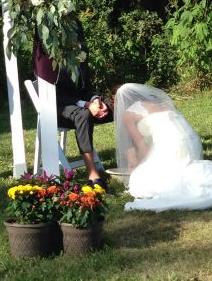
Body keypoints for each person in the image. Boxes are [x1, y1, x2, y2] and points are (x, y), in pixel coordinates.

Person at [33, 20, 113, 189]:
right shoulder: (50, 63)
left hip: (81, 104)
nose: (75, 40)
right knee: (83, 115)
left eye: (76, 36)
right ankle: (93, 174)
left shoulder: (79, 59)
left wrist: (95, 100)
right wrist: (86, 105)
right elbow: (58, 96)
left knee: (118, 102)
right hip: (59, 108)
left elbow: (86, 87)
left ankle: (135, 157)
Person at [114, 83, 212, 211]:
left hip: (172, 145)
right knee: (184, 167)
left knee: (138, 180)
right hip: (192, 142)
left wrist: (137, 165)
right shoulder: (163, 103)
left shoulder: (128, 114)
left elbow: (143, 146)